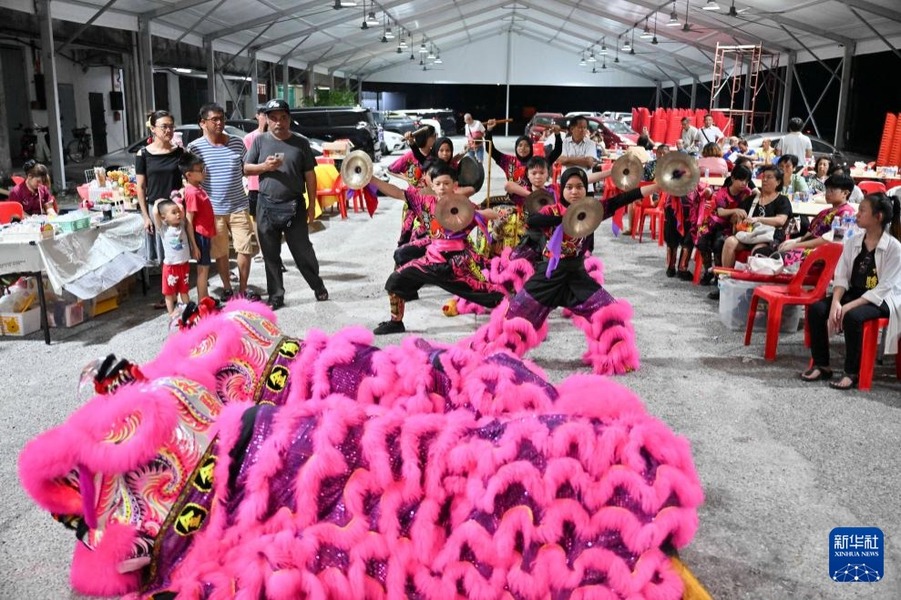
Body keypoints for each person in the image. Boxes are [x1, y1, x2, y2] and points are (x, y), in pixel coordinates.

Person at [480, 167, 656, 375]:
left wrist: (657, 186)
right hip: (549, 275)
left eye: (580, 187)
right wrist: (565, 219)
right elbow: (533, 221)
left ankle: (616, 357)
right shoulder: (552, 210)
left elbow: (621, 200)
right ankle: (499, 355)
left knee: (608, 311)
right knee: (516, 316)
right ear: (562, 189)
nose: (574, 191)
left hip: (577, 275)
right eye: (569, 187)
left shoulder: (592, 209)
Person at [373, 162, 505, 335]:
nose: (442, 187)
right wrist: (371, 179)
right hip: (430, 261)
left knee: (489, 295)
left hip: (456, 265)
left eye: (446, 183)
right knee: (395, 281)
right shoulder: (424, 202)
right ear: (432, 186)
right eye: (438, 184)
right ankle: (396, 322)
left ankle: (517, 313)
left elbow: (483, 214)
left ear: (455, 186)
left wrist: (500, 216)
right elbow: (397, 192)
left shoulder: (465, 205)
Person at [801, 193, 901, 390]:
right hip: (854, 292)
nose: (857, 214)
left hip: (882, 300)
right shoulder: (853, 241)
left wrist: (847, 307)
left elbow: (884, 288)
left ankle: (852, 372)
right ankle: (822, 365)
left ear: (878, 217)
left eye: (862, 211)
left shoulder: (894, 248)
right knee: (816, 310)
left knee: (853, 317)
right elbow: (842, 275)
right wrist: (837, 302)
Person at [244, 99, 328, 310]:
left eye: (283, 118)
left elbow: (310, 176)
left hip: (294, 205)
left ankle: (317, 285)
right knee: (270, 254)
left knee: (302, 251)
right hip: (265, 204)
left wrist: (311, 207)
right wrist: (264, 166)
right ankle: (276, 296)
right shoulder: (260, 142)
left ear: (289, 119)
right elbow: (245, 168)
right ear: (267, 120)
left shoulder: (301, 142)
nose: (278, 122)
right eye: (273, 118)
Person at [187, 103, 257, 301]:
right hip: (212, 209)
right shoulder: (195, 148)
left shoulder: (237, 142)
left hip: (238, 206)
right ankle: (227, 287)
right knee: (221, 251)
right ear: (202, 123)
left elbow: (247, 168)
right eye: (214, 119)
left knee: (245, 247)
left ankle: (242, 289)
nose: (219, 123)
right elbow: (190, 177)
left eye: (222, 119)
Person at [135, 111, 185, 272]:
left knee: (179, 253)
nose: (168, 130)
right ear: (153, 129)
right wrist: (145, 216)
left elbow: (185, 180)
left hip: (176, 210)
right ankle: (168, 293)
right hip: (156, 210)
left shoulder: (179, 152)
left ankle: (180, 291)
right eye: (164, 126)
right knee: (163, 257)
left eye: (171, 126)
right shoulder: (143, 154)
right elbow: (141, 187)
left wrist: (183, 192)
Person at [720, 164, 793, 270]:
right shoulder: (751, 199)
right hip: (749, 235)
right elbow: (735, 219)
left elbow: (780, 221)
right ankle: (726, 275)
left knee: (759, 251)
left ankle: (753, 280)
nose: (764, 180)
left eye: (769, 177)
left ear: (778, 182)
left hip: (768, 238)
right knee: (730, 242)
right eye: (763, 177)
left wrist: (758, 219)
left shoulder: (782, 200)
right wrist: (737, 218)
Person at [777, 173, 856, 268]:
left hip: (823, 254)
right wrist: (795, 241)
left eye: (832, 190)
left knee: (780, 258)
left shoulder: (847, 214)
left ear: (845, 193)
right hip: (809, 248)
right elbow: (810, 233)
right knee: (775, 248)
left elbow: (829, 240)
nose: (827, 193)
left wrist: (795, 245)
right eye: (827, 189)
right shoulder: (824, 212)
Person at [696, 164, 756, 286]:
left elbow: (756, 195)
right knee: (702, 242)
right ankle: (708, 271)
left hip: (729, 227)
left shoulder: (746, 193)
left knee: (719, 244)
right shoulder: (722, 193)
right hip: (712, 223)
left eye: (747, 181)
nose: (744, 183)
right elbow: (721, 212)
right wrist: (735, 210)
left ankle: (719, 274)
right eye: (741, 179)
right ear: (733, 178)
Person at [485, 119, 562, 190]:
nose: (523, 148)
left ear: (531, 148)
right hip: (513, 199)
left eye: (526, 146)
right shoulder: (507, 160)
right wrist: (489, 130)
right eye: (520, 145)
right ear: (516, 147)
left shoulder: (537, 162)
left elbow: (557, 151)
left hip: (534, 198)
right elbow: (490, 150)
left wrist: (557, 135)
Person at [180, 152, 215, 301]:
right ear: (189, 174)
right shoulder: (192, 192)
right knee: (203, 269)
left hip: (205, 234)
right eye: (200, 170)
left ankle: (205, 298)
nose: (204, 172)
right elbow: (189, 220)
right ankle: (203, 301)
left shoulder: (197, 188)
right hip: (200, 235)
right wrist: (194, 245)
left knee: (205, 267)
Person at [151, 198, 192, 316]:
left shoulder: (182, 224)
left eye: (177, 212)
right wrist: (157, 202)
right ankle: (171, 313)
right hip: (171, 267)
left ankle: (188, 311)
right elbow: (155, 213)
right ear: (164, 217)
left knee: (184, 290)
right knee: (169, 293)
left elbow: (181, 208)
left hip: (184, 265)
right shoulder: (163, 229)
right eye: (173, 213)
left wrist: (175, 202)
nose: (178, 214)